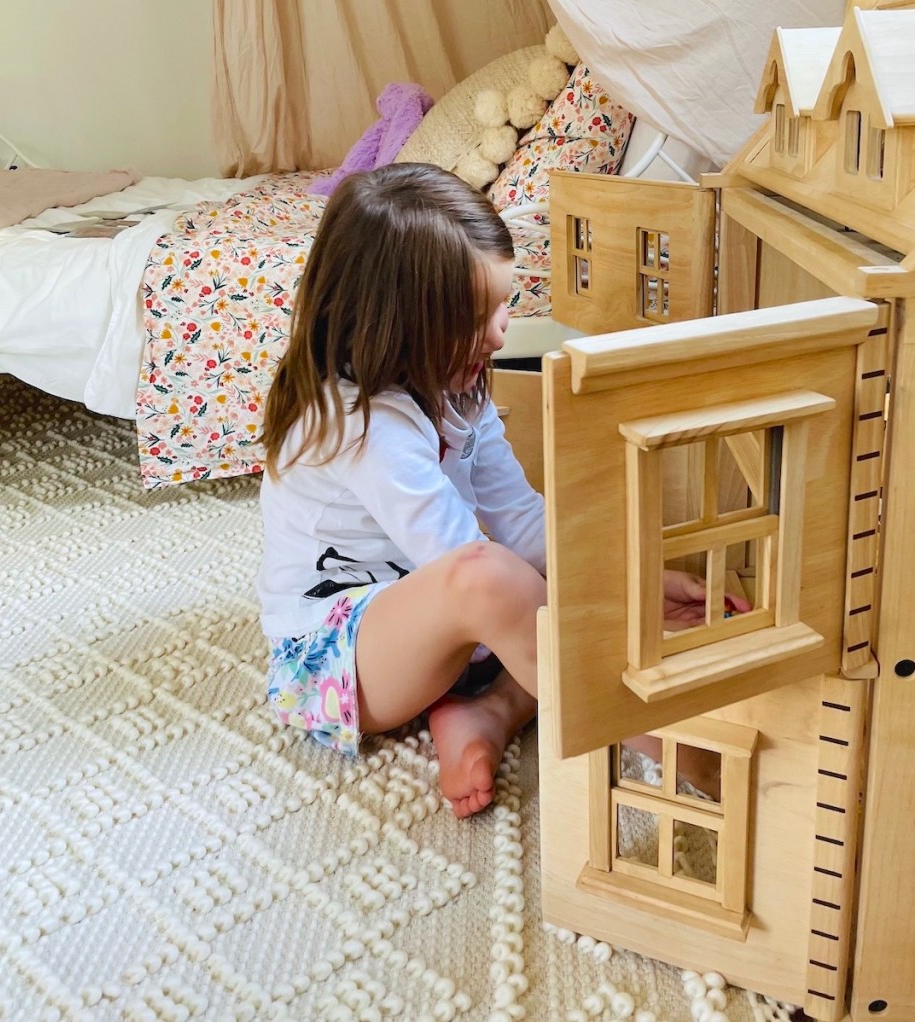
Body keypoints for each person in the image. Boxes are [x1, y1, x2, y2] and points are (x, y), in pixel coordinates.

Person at [257, 163, 746, 819]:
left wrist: (635, 584)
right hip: (335, 663)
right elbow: (468, 565)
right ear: (391, 324)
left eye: (503, 305)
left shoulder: (458, 387)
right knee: (499, 587)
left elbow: (523, 524)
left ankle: (482, 711)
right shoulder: (359, 424)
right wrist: (598, 613)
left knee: (528, 611)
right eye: (475, 318)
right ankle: (697, 759)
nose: (500, 332)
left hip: (441, 638)